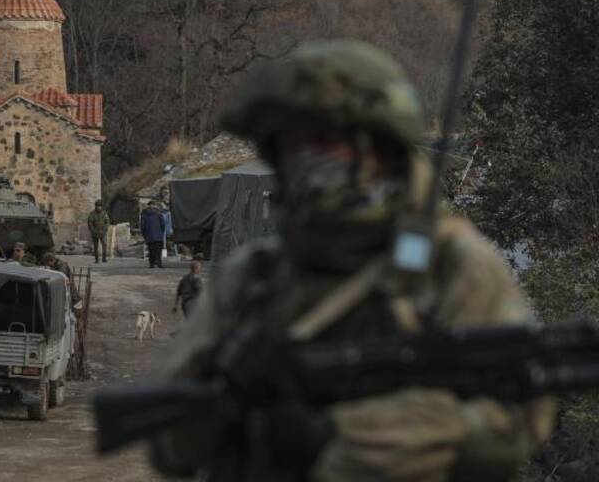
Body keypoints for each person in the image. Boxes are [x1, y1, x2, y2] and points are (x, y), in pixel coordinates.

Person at [149, 40, 555, 481]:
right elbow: (168, 446)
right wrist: (225, 389)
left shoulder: (452, 265)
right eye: (290, 142)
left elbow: (519, 422)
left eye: (324, 140)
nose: (305, 157)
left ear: (376, 148)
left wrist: (389, 432)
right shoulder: (255, 276)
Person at [140, 200, 166, 268]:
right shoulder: (159, 213)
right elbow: (163, 224)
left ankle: (152, 264)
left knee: (151, 250)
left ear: (148, 205)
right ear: (155, 205)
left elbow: (142, 226)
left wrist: (144, 235)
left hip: (149, 236)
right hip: (158, 235)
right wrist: (161, 232)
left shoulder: (144, 214)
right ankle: (159, 263)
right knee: (158, 250)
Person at [87, 199, 111, 263]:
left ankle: (104, 258)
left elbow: (107, 222)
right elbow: (90, 223)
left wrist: (105, 229)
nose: (99, 207)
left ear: (102, 207)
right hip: (95, 232)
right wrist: (93, 231)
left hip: (103, 232)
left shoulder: (104, 214)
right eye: (97, 206)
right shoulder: (92, 214)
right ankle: (97, 259)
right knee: (96, 246)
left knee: (104, 245)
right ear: (95, 206)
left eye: (100, 206)